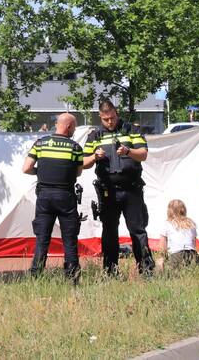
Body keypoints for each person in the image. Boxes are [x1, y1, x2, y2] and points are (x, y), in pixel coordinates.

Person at [82, 101, 154, 276]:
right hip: (108, 191)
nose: (110, 122)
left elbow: (143, 154)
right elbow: (83, 163)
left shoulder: (131, 130)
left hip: (132, 188)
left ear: (117, 113)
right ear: (100, 117)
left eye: (112, 118)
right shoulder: (95, 135)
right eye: (106, 119)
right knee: (109, 231)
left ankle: (146, 271)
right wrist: (94, 157)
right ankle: (110, 271)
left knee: (138, 230)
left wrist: (129, 152)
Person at [22, 112, 83, 283]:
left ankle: (35, 276)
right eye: (74, 127)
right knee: (69, 239)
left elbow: (26, 168)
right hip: (66, 196)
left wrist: (40, 172)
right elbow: (77, 172)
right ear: (69, 126)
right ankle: (72, 278)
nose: (74, 131)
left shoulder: (40, 144)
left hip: (44, 196)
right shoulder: (75, 147)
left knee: (42, 239)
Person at [160, 199, 199, 269]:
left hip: (176, 254)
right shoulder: (190, 223)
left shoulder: (167, 223)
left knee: (169, 271)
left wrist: (163, 257)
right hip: (192, 254)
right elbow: (193, 243)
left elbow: (163, 244)